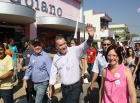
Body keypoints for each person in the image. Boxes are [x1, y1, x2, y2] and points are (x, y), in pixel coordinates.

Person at [48, 23, 94, 103]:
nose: (64, 46)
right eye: (61, 45)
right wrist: (50, 87)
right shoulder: (56, 57)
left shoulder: (74, 50)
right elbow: (53, 73)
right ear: (56, 47)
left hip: (75, 88)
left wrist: (90, 37)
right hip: (64, 88)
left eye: (64, 43)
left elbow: (84, 46)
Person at [22, 38, 52, 103]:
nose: (37, 47)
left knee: (38, 101)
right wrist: (25, 80)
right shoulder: (32, 56)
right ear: (32, 47)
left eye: (39, 45)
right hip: (35, 83)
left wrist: (51, 88)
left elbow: (51, 73)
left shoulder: (46, 56)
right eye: (35, 46)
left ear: (42, 45)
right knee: (44, 99)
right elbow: (29, 69)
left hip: (43, 83)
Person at [20, 37, 36, 103]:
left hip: (32, 74)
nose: (23, 44)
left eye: (24, 42)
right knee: (28, 91)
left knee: (31, 89)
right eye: (22, 43)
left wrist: (28, 66)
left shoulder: (32, 50)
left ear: (27, 42)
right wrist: (21, 64)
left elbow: (35, 61)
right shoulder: (24, 52)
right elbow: (24, 60)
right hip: (25, 74)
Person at [70, 38, 85, 103]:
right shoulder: (68, 52)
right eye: (70, 43)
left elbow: (83, 65)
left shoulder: (80, 52)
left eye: (73, 43)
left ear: (76, 44)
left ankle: (81, 101)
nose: (71, 45)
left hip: (78, 74)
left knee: (79, 89)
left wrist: (82, 76)